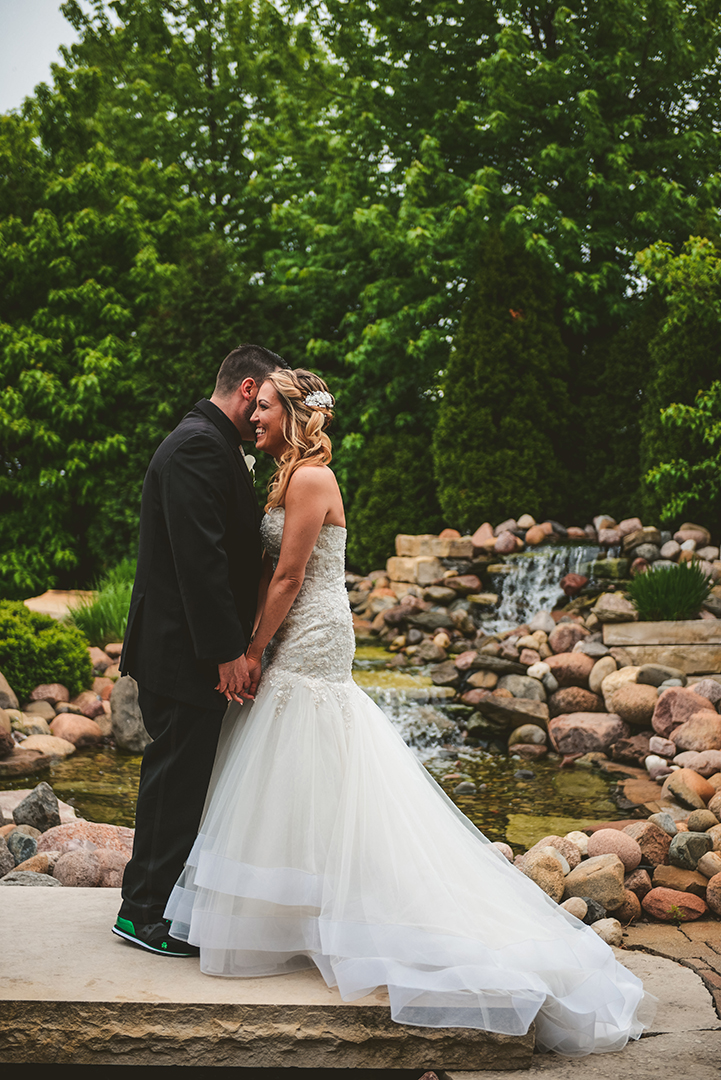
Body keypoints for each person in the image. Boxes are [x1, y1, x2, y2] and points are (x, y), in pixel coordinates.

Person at [163, 368, 654, 1055]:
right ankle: (300, 914)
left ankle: (342, 912)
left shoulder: (309, 481)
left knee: (303, 743)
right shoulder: (283, 476)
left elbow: (289, 575)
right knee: (285, 760)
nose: (254, 417)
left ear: (297, 415)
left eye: (266, 408)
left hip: (311, 629)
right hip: (291, 627)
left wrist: (251, 646)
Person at [113, 343, 288, 956]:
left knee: (182, 778)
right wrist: (226, 653)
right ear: (246, 388)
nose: (266, 413)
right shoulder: (197, 447)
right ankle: (141, 914)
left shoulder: (212, 445)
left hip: (183, 649)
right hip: (181, 653)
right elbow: (200, 563)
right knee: (174, 781)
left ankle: (156, 902)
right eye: (264, 399)